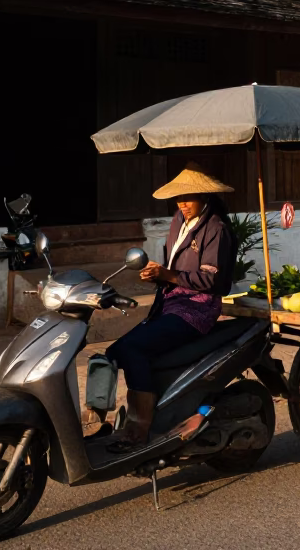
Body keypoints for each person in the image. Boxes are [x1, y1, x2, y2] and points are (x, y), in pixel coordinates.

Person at [105, 163, 235, 450]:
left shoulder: (217, 228)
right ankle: (109, 419)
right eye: (178, 198)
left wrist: (168, 275)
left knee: (132, 349)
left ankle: (139, 429)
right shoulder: (179, 219)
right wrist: (157, 274)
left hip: (198, 308)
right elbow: (174, 268)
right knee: (113, 352)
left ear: (205, 196)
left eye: (188, 198)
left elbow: (211, 280)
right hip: (170, 303)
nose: (183, 204)